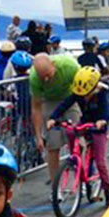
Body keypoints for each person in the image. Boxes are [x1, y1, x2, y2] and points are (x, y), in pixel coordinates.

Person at [47, 67, 109, 205]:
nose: (84, 97)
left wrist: (103, 121)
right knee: (71, 131)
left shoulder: (102, 93)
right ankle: (75, 156)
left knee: (100, 162)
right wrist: (53, 117)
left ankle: (108, 189)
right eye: (81, 95)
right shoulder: (79, 93)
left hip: (98, 127)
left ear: (95, 88)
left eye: (87, 94)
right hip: (85, 122)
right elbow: (65, 104)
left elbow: (107, 110)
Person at [30, 53, 81, 187]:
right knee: (52, 145)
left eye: (48, 74)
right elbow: (36, 107)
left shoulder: (69, 66)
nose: (46, 79)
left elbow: (82, 89)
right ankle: (55, 185)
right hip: (50, 102)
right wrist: (39, 135)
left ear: (54, 65)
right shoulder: (34, 78)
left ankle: (81, 180)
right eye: (43, 77)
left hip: (70, 98)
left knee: (77, 141)